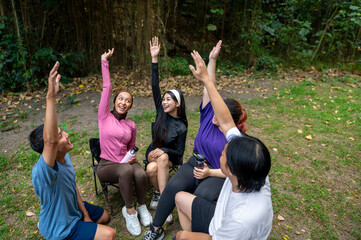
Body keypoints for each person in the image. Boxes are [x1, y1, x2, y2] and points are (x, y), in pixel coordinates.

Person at [142, 41, 248, 240]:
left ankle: (196, 235)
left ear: (230, 119)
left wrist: (209, 172)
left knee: (201, 197)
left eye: (220, 113)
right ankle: (155, 229)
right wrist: (212, 60)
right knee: (172, 187)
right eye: (216, 110)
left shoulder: (234, 137)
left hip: (217, 173)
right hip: (196, 162)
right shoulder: (209, 114)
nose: (215, 115)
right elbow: (210, 87)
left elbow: (234, 173)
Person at [174, 50, 273, 240]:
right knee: (179, 197)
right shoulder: (255, 171)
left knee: (181, 236)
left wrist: (183, 236)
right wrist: (206, 80)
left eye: (223, 155)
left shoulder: (243, 220)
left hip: (219, 232)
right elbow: (227, 121)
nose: (221, 153)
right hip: (218, 216)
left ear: (232, 171)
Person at [29, 62, 116, 240]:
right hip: (60, 228)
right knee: (109, 235)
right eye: (60, 136)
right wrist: (50, 97)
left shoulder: (65, 156)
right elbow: (50, 141)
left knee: (105, 217)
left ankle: (75, 219)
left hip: (72, 209)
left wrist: (85, 214)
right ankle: (47, 226)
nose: (67, 135)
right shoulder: (43, 171)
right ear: (51, 146)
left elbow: (72, 186)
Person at [96, 49, 152, 236]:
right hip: (107, 165)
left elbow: (131, 148)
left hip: (125, 162)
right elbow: (107, 87)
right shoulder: (104, 116)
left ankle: (141, 205)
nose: (124, 102)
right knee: (127, 170)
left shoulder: (131, 125)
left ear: (130, 106)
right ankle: (129, 211)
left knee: (142, 174)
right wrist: (105, 61)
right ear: (114, 101)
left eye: (128, 101)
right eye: (121, 98)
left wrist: (131, 157)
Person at [145, 36, 188, 223]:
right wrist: (154, 59)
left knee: (152, 168)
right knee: (155, 160)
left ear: (177, 104)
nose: (164, 101)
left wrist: (164, 150)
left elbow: (179, 152)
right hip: (152, 150)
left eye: (169, 99)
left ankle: (159, 196)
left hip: (168, 157)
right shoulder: (160, 113)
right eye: (163, 99)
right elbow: (155, 86)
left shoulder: (182, 125)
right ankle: (165, 201)